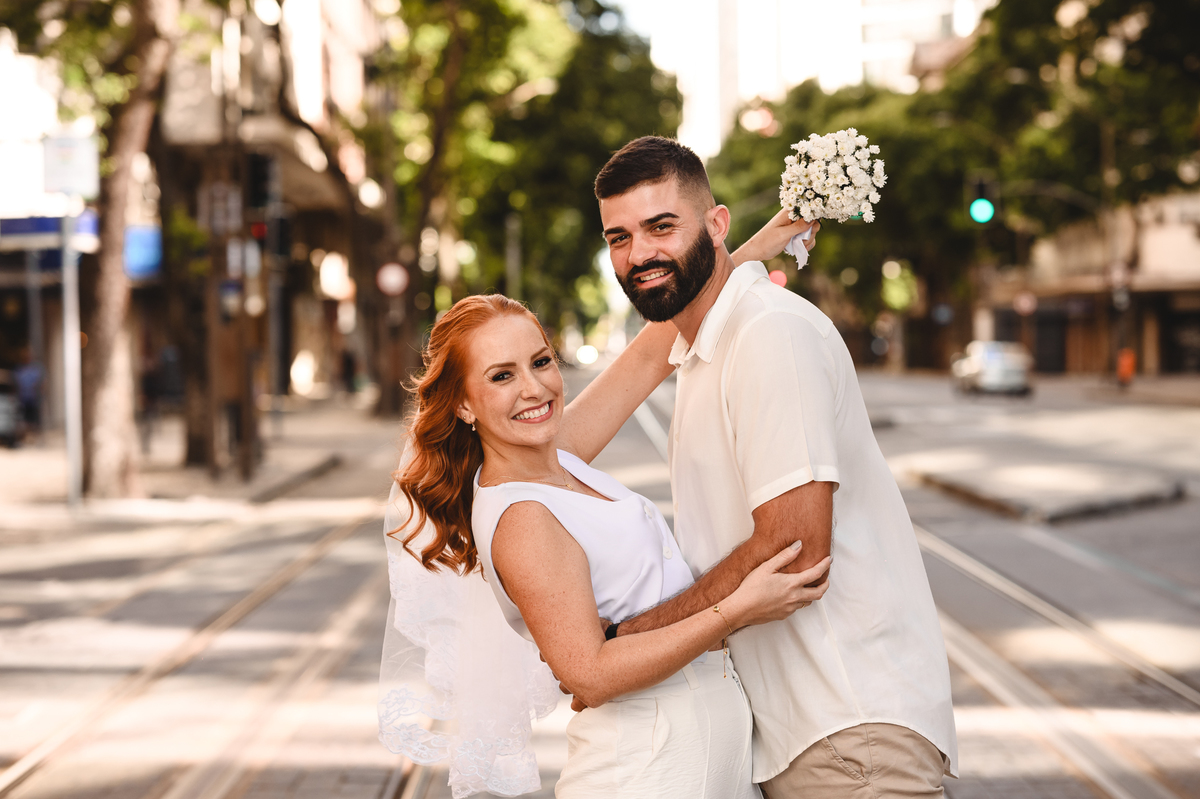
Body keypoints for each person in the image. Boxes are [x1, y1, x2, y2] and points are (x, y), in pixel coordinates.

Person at [381, 229, 828, 799]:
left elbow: (649, 354)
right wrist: (736, 609)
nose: (534, 388)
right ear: (464, 403)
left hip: (694, 753)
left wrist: (746, 250)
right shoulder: (522, 517)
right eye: (501, 375)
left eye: (541, 361)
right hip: (645, 768)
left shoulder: (558, 457)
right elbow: (588, 674)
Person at [583, 136, 959, 798]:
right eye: (620, 237)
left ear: (716, 224)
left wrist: (629, 640)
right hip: (804, 736)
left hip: (850, 736)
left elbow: (796, 552)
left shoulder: (768, 334)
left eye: (661, 226)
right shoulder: (704, 348)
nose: (638, 254)